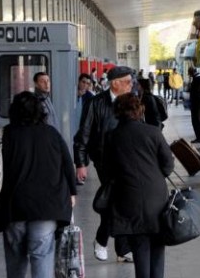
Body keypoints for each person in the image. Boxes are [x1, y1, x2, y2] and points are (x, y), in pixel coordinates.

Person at [0, 91, 77, 278]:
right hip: (46, 207)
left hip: (13, 207)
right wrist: (72, 193)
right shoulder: (51, 134)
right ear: (40, 111)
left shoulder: (3, 135)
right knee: (42, 255)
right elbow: (67, 165)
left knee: (16, 258)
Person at [104, 94, 174, 278]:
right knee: (158, 245)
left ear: (117, 112)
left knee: (139, 246)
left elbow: (107, 170)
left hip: (128, 197)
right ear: (138, 110)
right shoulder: (153, 132)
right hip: (156, 198)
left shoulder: (112, 137)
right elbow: (168, 165)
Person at [73, 65, 134, 262]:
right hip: (104, 160)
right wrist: (81, 163)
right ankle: (104, 241)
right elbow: (83, 135)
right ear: (115, 84)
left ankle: (119, 248)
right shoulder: (96, 103)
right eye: (128, 82)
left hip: (128, 159)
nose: (131, 85)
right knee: (117, 199)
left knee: (121, 201)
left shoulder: (132, 102)